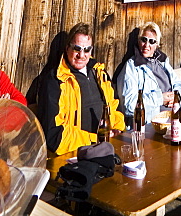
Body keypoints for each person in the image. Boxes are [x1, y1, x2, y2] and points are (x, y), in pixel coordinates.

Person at [34, 23, 125, 176]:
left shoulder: (99, 73)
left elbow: (115, 107)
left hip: (107, 148)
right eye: (77, 49)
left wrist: (118, 132)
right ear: (67, 48)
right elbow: (55, 136)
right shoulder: (55, 81)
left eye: (87, 50)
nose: (81, 55)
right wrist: (96, 140)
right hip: (75, 158)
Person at [116, 21, 181, 123]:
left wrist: (177, 98)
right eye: (144, 40)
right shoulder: (132, 66)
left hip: (175, 116)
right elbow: (129, 105)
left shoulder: (162, 61)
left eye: (152, 41)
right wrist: (160, 99)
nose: (146, 45)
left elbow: (178, 83)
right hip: (151, 124)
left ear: (157, 44)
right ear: (139, 41)